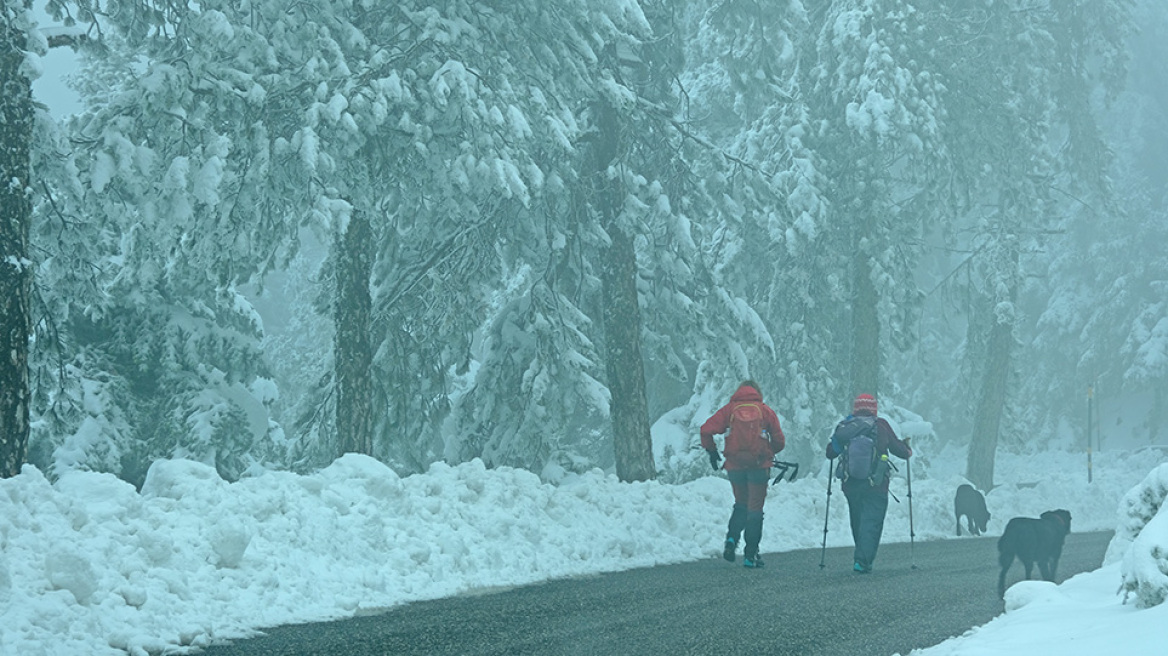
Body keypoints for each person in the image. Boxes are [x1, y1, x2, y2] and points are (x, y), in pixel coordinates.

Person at [700, 380, 785, 568]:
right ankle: (750, 554)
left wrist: (712, 452)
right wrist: (769, 452)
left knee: (740, 504)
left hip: (735, 467)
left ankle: (731, 539)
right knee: (755, 508)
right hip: (758, 467)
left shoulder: (729, 410)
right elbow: (780, 440)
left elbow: (705, 430)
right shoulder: (765, 410)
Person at [826, 393, 911, 573]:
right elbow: (900, 450)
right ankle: (863, 560)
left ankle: (861, 556)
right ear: (874, 408)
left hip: (851, 484)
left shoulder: (846, 427)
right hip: (876, 484)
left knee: (857, 520)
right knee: (872, 522)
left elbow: (830, 452)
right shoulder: (881, 425)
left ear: (855, 408)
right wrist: (907, 450)